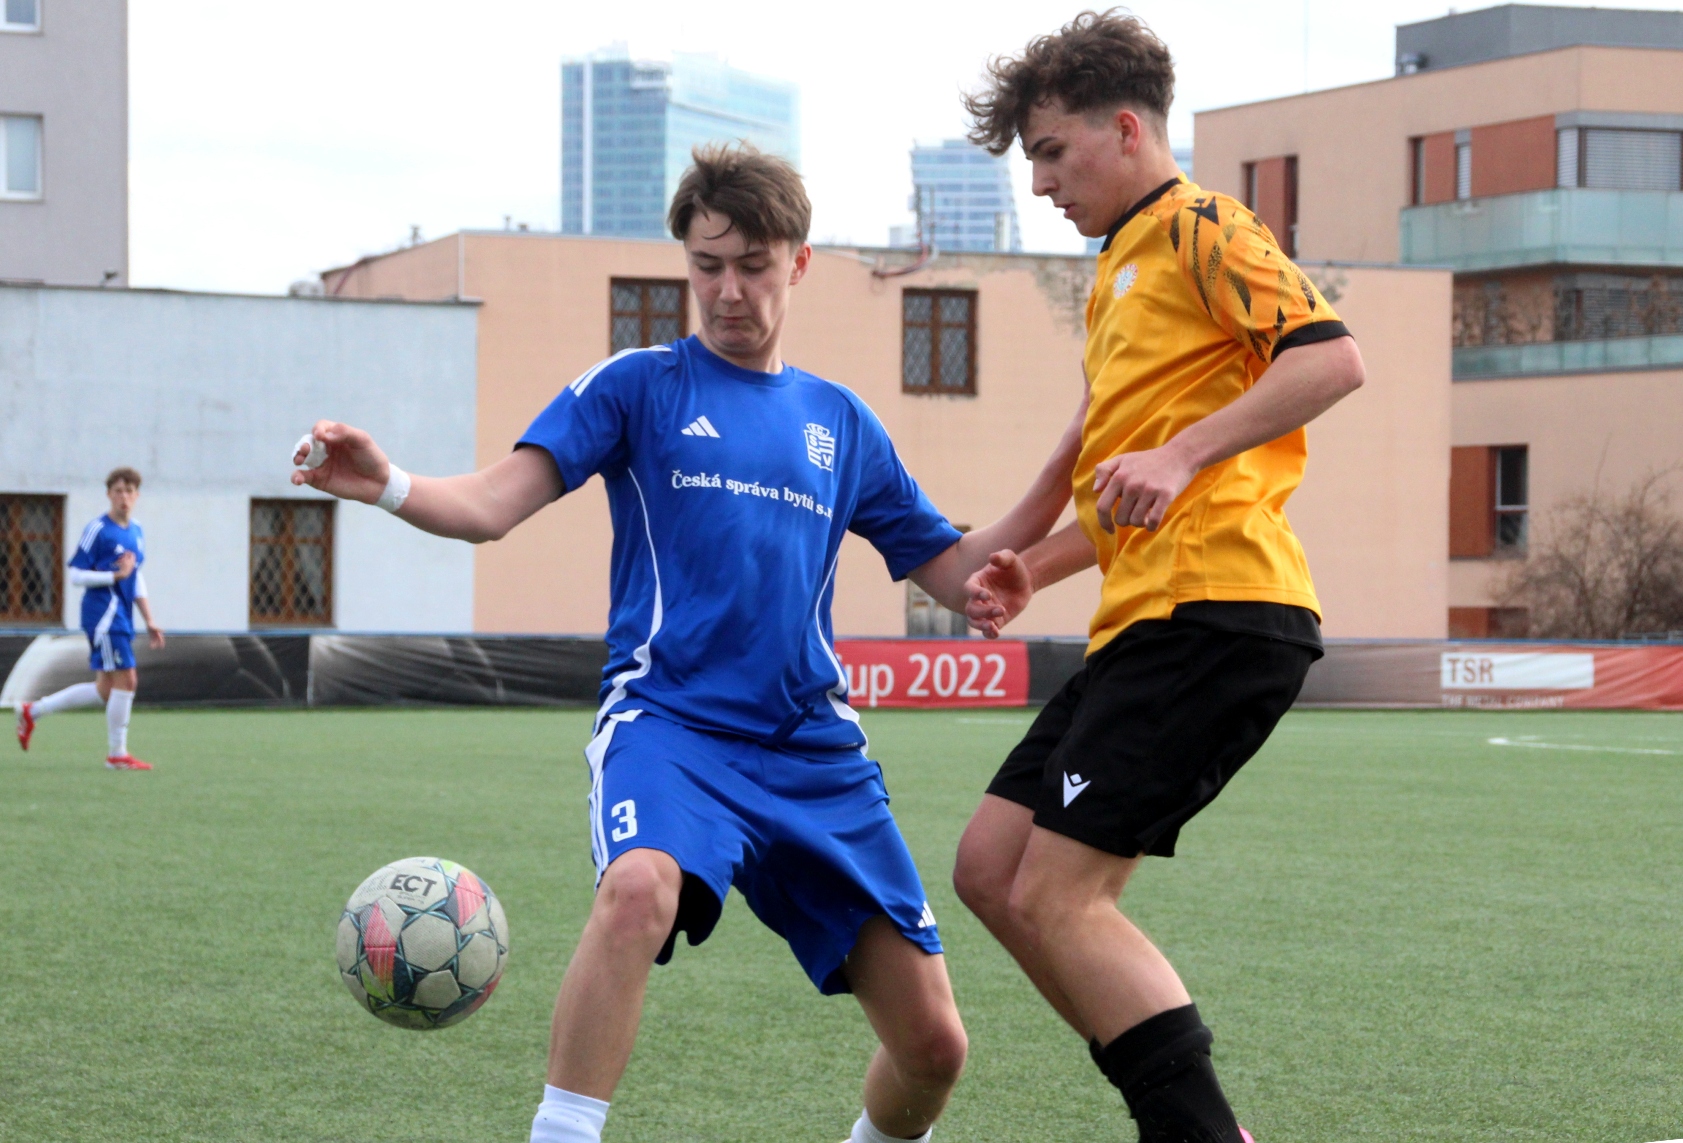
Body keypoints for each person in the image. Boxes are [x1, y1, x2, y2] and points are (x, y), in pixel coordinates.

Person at [290, 143, 1080, 1143]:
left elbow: (961, 571)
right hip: (671, 728)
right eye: (707, 266)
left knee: (934, 1049)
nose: (728, 290)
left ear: (798, 263)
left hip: (812, 752)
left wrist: (1078, 448)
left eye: (753, 265)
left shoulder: (842, 423)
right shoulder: (638, 387)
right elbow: (491, 506)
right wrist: (389, 483)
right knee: (636, 888)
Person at [951, 11, 1367, 1142]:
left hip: (1219, 610)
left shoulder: (1201, 226)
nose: (1039, 182)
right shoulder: (1118, 272)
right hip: (1145, 618)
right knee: (991, 867)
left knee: (1059, 896)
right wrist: (1037, 567)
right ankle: (1178, 1115)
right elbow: (1131, 489)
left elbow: (1334, 359)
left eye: (1051, 151)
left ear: (1126, 129)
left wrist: (1182, 452)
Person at [16, 467, 165, 770]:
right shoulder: (98, 529)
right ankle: (117, 754)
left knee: (105, 690)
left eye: (129, 491)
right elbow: (75, 575)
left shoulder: (136, 531)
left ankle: (32, 711)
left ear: (137, 495)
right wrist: (114, 576)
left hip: (121, 615)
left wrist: (149, 618)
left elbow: (135, 576)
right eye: (118, 491)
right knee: (128, 679)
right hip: (103, 615)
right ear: (109, 494)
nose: (124, 497)